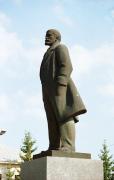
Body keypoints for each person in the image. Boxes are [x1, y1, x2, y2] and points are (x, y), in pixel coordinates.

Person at [40, 29, 87, 152]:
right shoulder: (47, 53)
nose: (46, 37)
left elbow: (67, 65)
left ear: (56, 37)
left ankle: (69, 146)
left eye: (49, 35)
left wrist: (61, 83)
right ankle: (54, 145)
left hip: (60, 88)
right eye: (46, 35)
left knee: (64, 115)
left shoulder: (60, 48)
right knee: (52, 118)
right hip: (48, 90)